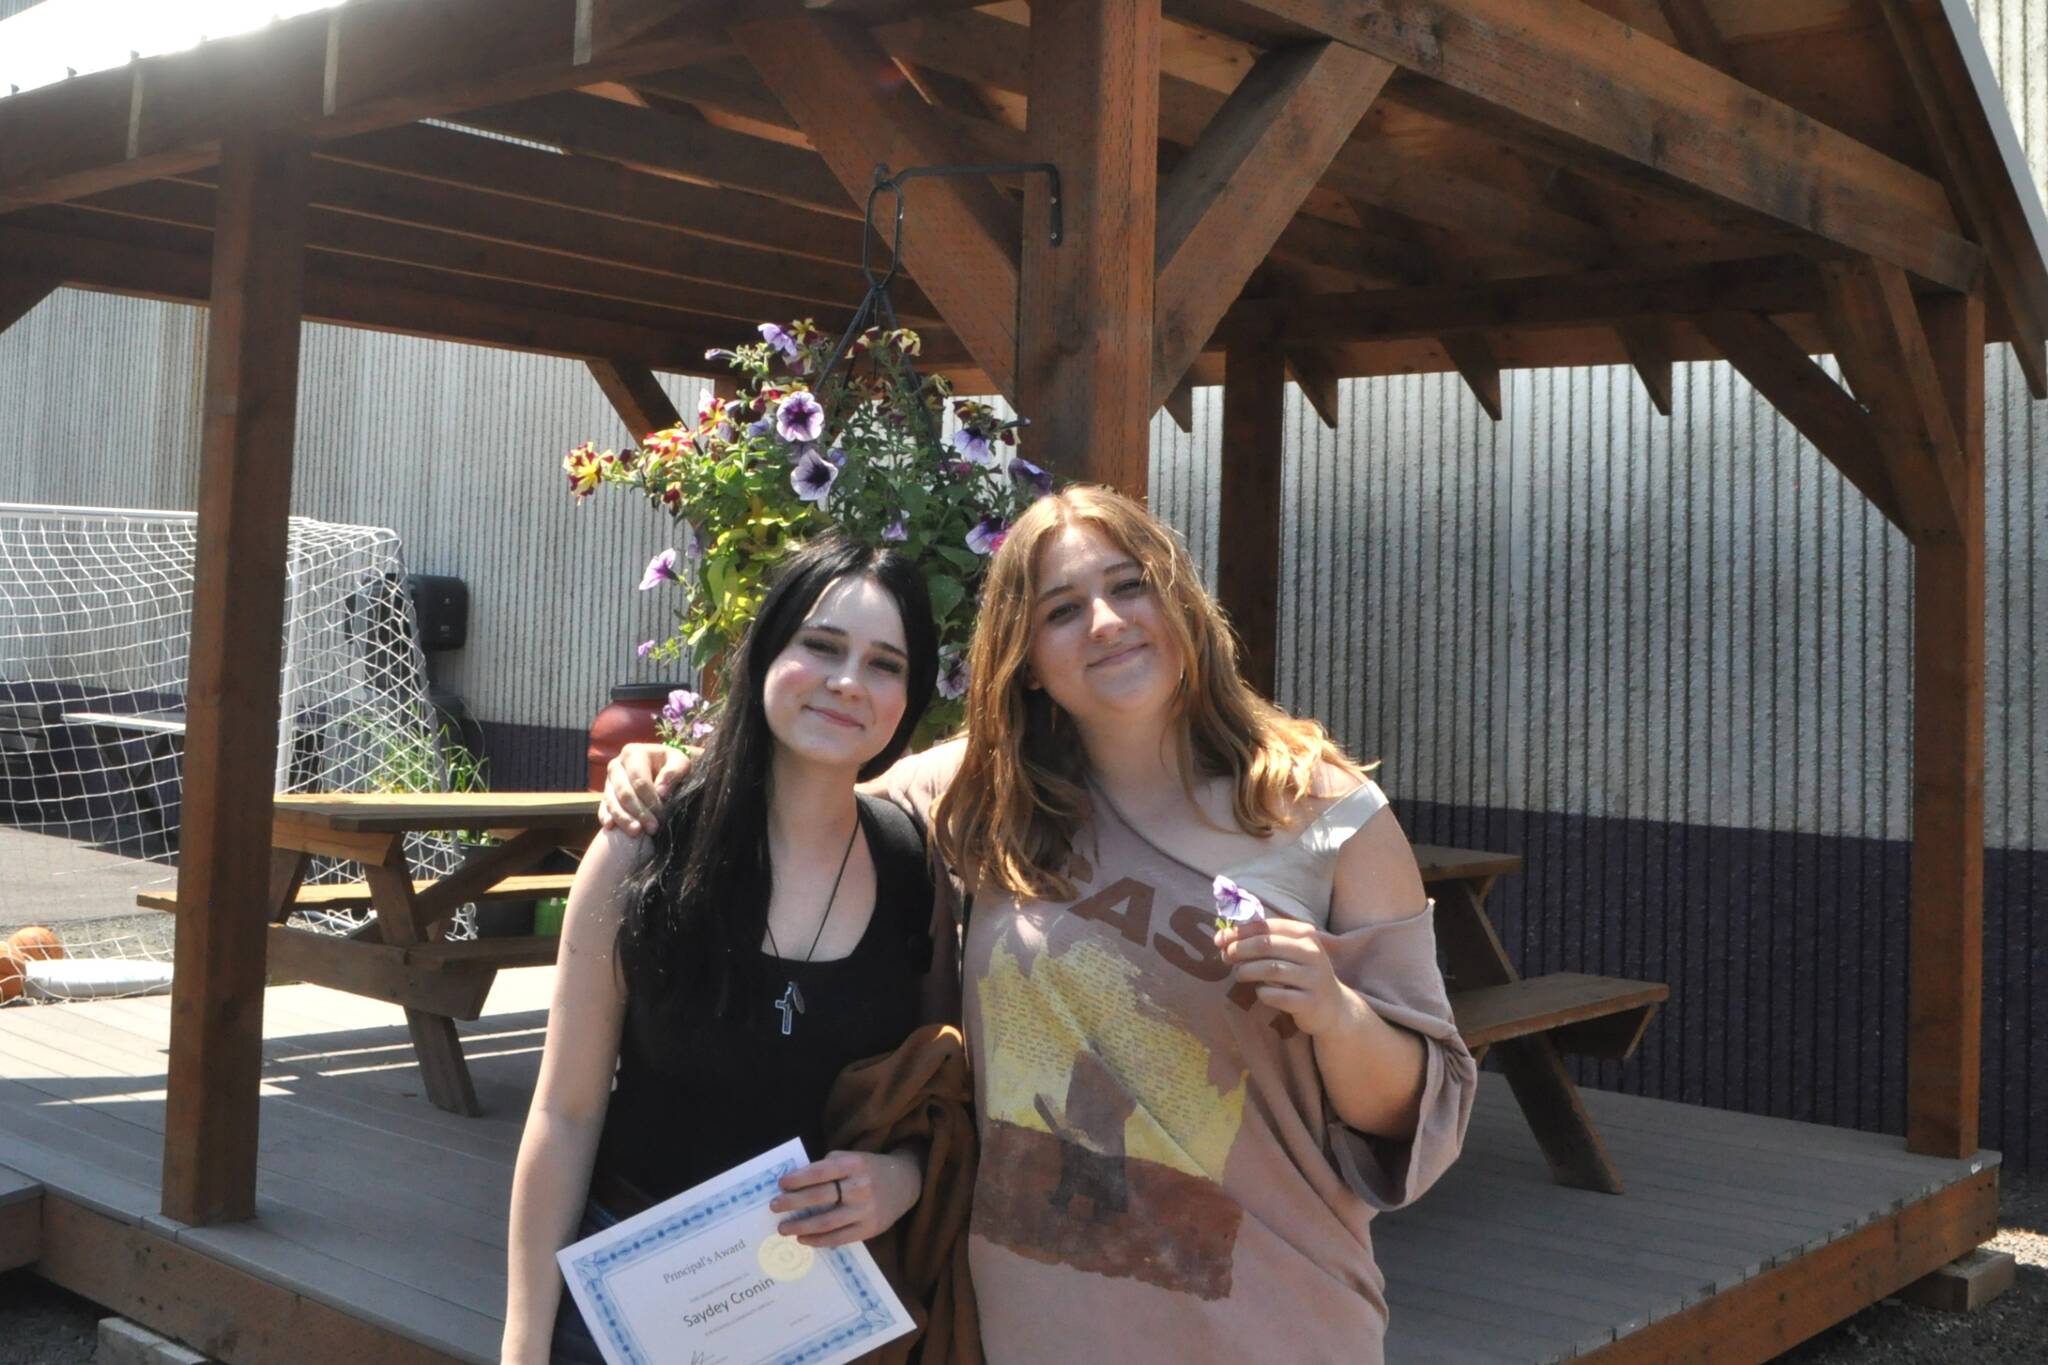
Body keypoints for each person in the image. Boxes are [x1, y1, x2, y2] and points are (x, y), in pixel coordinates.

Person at [602, 486, 1476, 1364]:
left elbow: (1423, 1110)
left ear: (1181, 600)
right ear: (1024, 658)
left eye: (1130, 585)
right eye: (1062, 609)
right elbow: (808, 792)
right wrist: (670, 771)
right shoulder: (985, 792)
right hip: (1035, 1329)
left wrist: (1335, 1012)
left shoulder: (1325, 813)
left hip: (1272, 1320)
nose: (1107, 622)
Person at [502, 535, 952, 1365]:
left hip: (814, 1317)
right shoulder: (645, 843)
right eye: (822, 645)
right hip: (627, 1301)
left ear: (910, 696)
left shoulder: (913, 867)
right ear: (766, 652)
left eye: (885, 664)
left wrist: (903, 1177)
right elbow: (565, 1113)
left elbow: (938, 1092)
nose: (848, 681)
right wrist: (523, 1344)